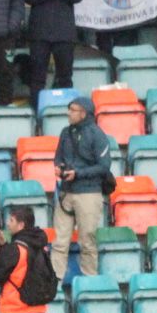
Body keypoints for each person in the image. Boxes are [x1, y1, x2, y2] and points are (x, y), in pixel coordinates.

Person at [48, 95, 111, 278]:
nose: (69, 113)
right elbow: (58, 157)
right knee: (59, 242)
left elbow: (104, 166)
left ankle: (89, 280)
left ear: (83, 113)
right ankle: (55, 282)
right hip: (66, 192)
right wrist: (59, 168)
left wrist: (79, 173)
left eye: (73, 110)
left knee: (87, 241)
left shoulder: (98, 135)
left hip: (89, 193)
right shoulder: (65, 133)